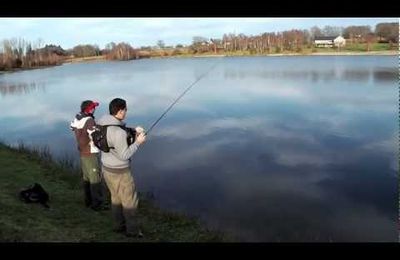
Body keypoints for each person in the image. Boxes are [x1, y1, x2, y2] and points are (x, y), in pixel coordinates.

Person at [97, 98, 146, 238]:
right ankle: (133, 232)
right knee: (129, 202)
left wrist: (133, 130)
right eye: (125, 109)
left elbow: (115, 133)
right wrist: (138, 142)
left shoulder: (102, 122)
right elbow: (124, 155)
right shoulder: (118, 133)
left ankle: (118, 227)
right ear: (120, 111)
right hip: (120, 172)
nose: (126, 112)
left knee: (116, 199)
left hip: (106, 169)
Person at [70, 100, 106, 211]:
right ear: (88, 109)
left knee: (86, 178)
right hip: (90, 153)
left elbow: (72, 127)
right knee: (95, 179)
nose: (94, 109)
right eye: (93, 107)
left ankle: (88, 201)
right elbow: (95, 136)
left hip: (82, 152)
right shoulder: (89, 120)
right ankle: (97, 205)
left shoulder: (78, 118)